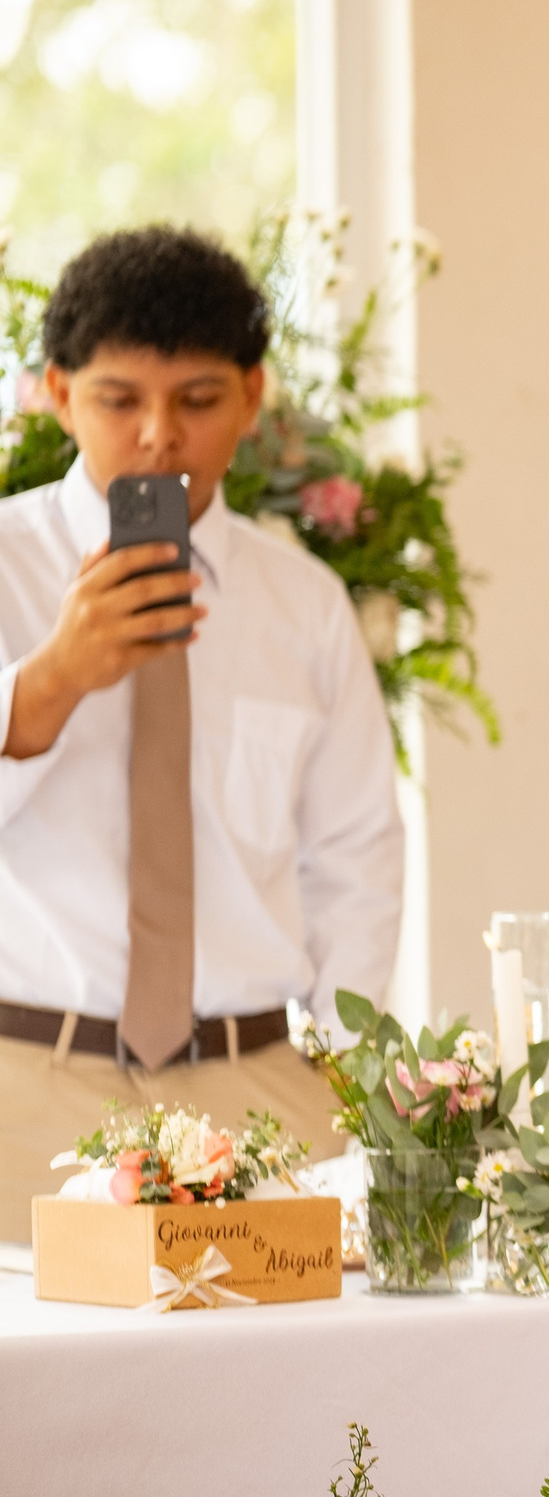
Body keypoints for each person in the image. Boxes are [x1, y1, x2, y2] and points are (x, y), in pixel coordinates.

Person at [0, 226, 402, 1243]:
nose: (156, 439)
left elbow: (356, 855)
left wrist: (345, 1083)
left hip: (263, 1097)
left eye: (198, 400)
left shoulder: (306, 606)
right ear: (56, 392)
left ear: (254, 398)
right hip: (28, 1087)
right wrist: (46, 686)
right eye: (119, 399)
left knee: (297, 1395)